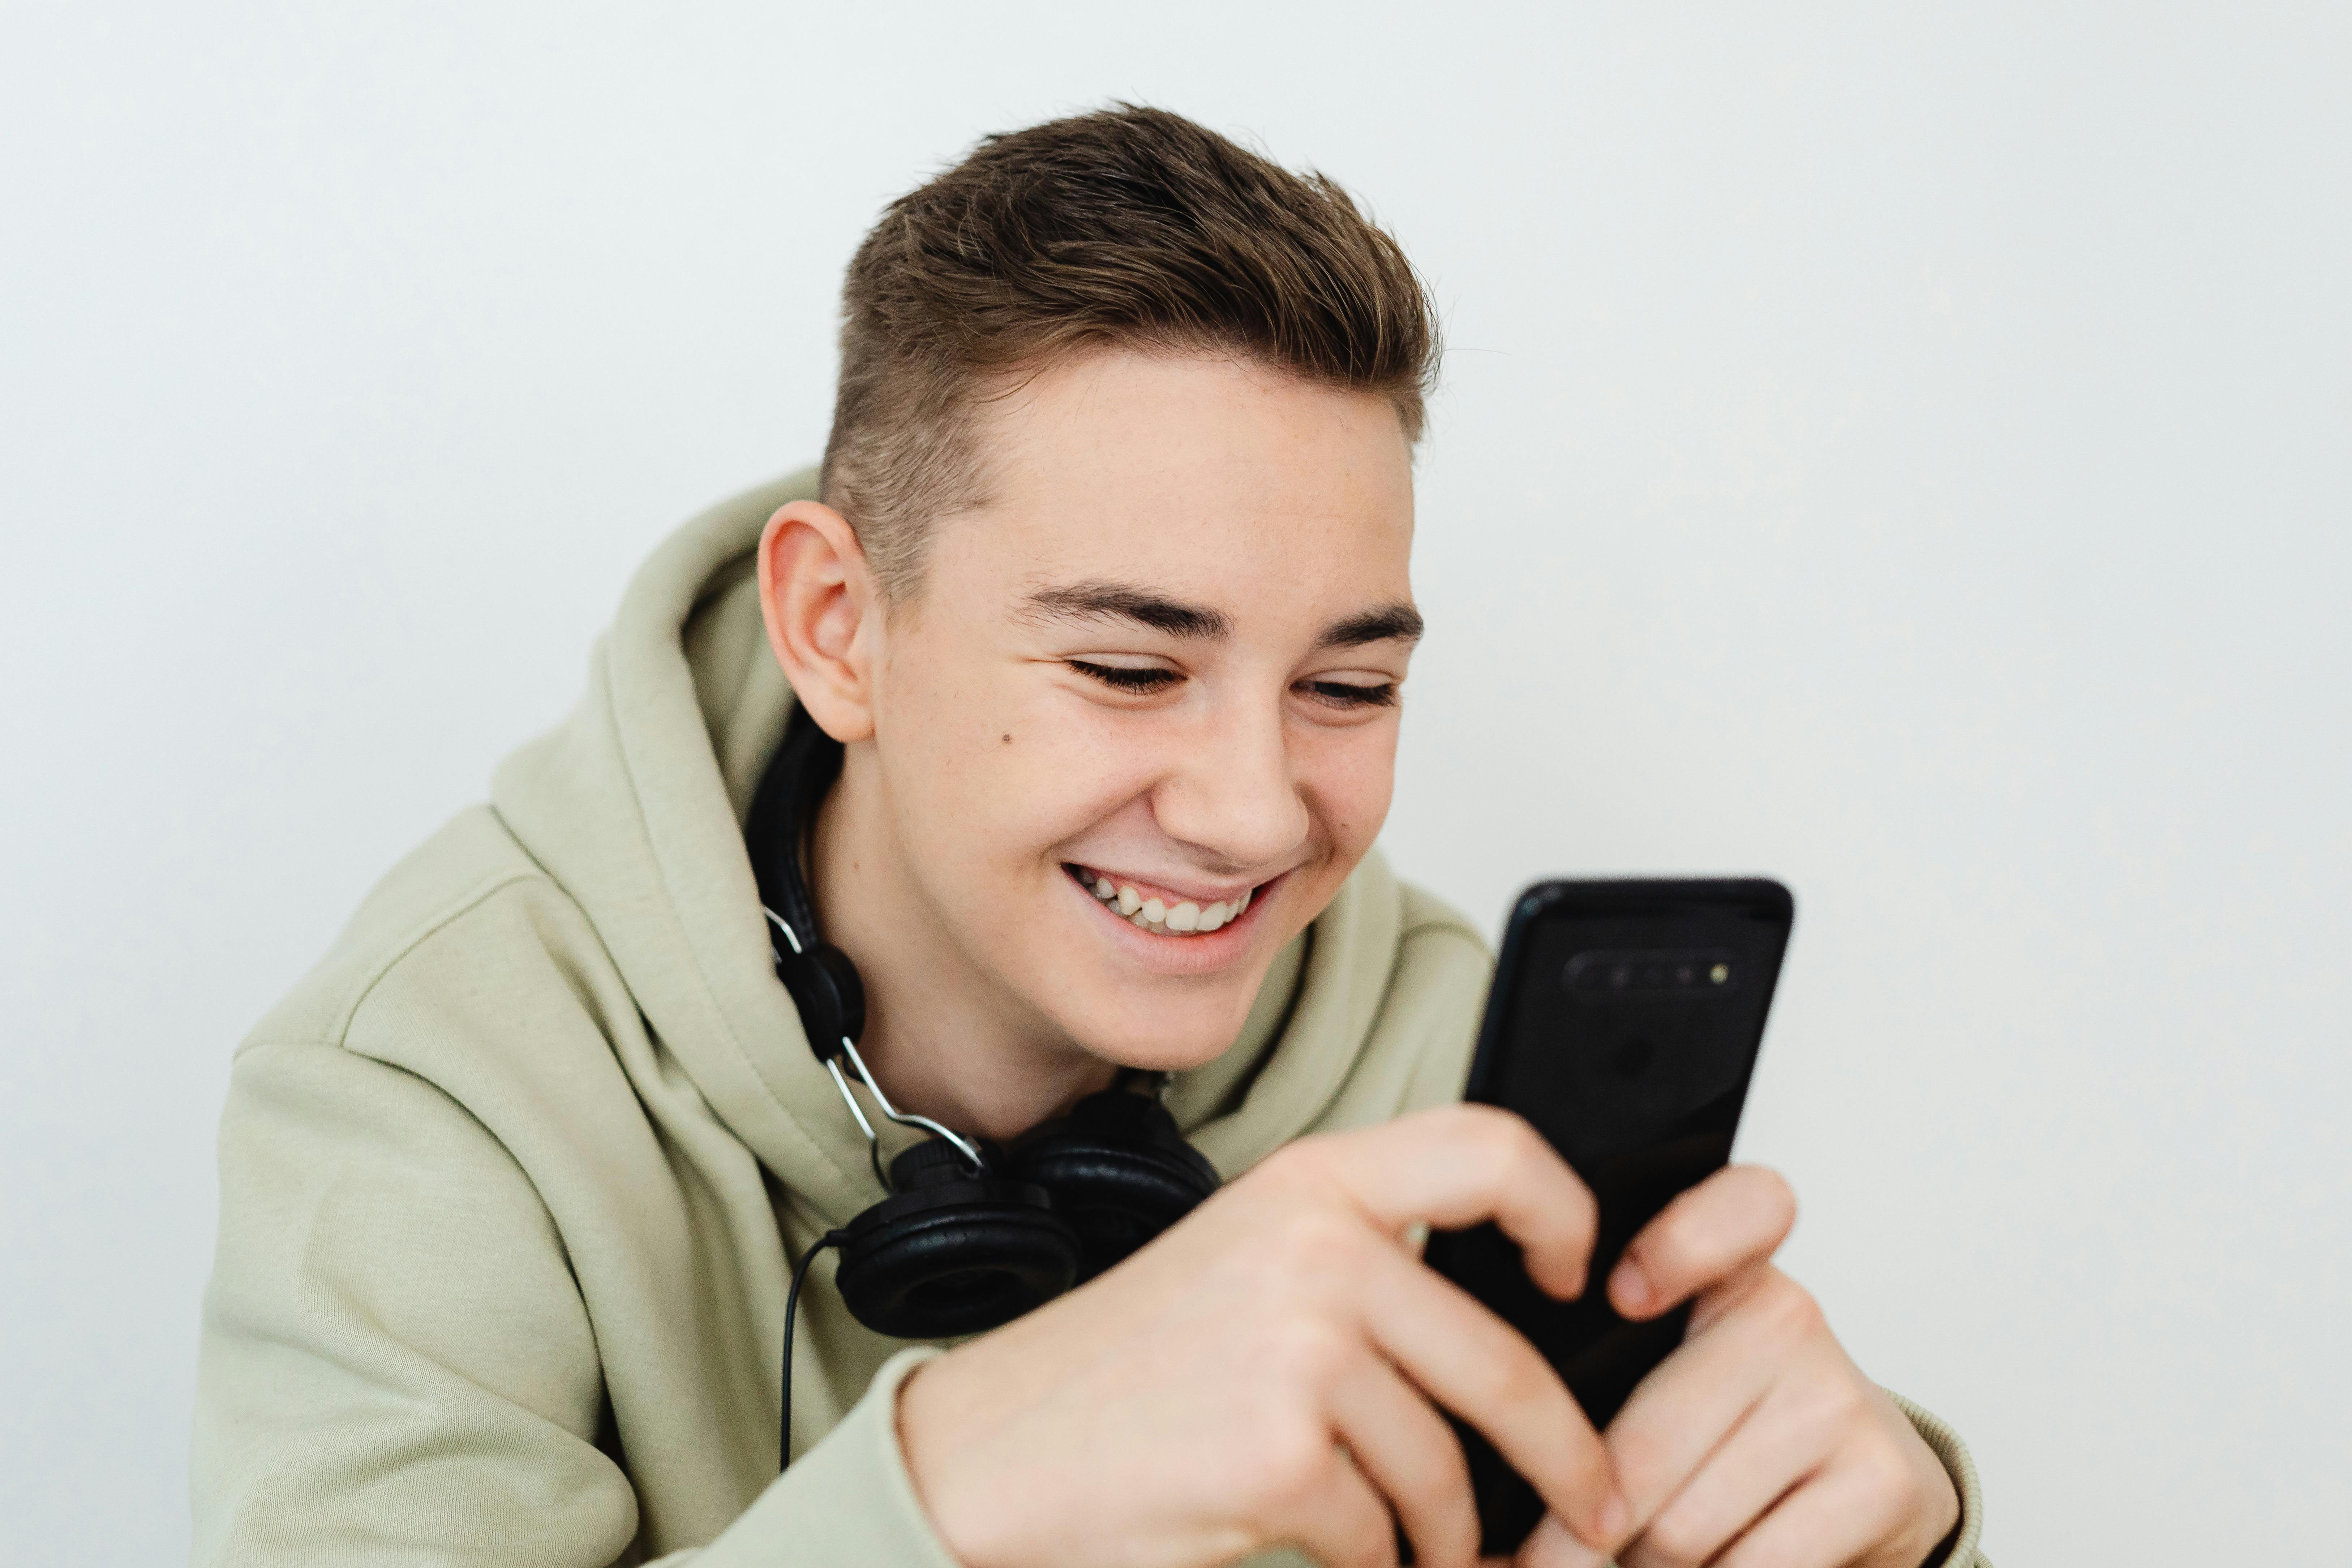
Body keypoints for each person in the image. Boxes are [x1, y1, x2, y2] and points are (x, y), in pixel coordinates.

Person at [191, 106, 1985, 1568]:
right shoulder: (428, 1080)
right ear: (837, 626)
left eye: (1347, 689)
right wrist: (960, 1483)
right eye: (1132, 665)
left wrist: (1897, 1536)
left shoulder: (1462, 1080)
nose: (1253, 811)